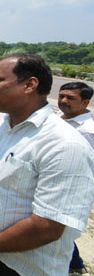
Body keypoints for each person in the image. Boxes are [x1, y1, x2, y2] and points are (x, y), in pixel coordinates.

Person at [0, 55, 94, 276]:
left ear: (29, 85)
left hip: (24, 267)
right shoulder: (2, 121)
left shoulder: (64, 145)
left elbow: (48, 226)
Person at [58, 81, 94, 275]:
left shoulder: (88, 131)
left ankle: (75, 265)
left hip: (71, 190)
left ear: (85, 102)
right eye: (61, 96)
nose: (63, 101)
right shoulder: (57, 119)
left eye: (70, 98)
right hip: (51, 183)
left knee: (61, 231)